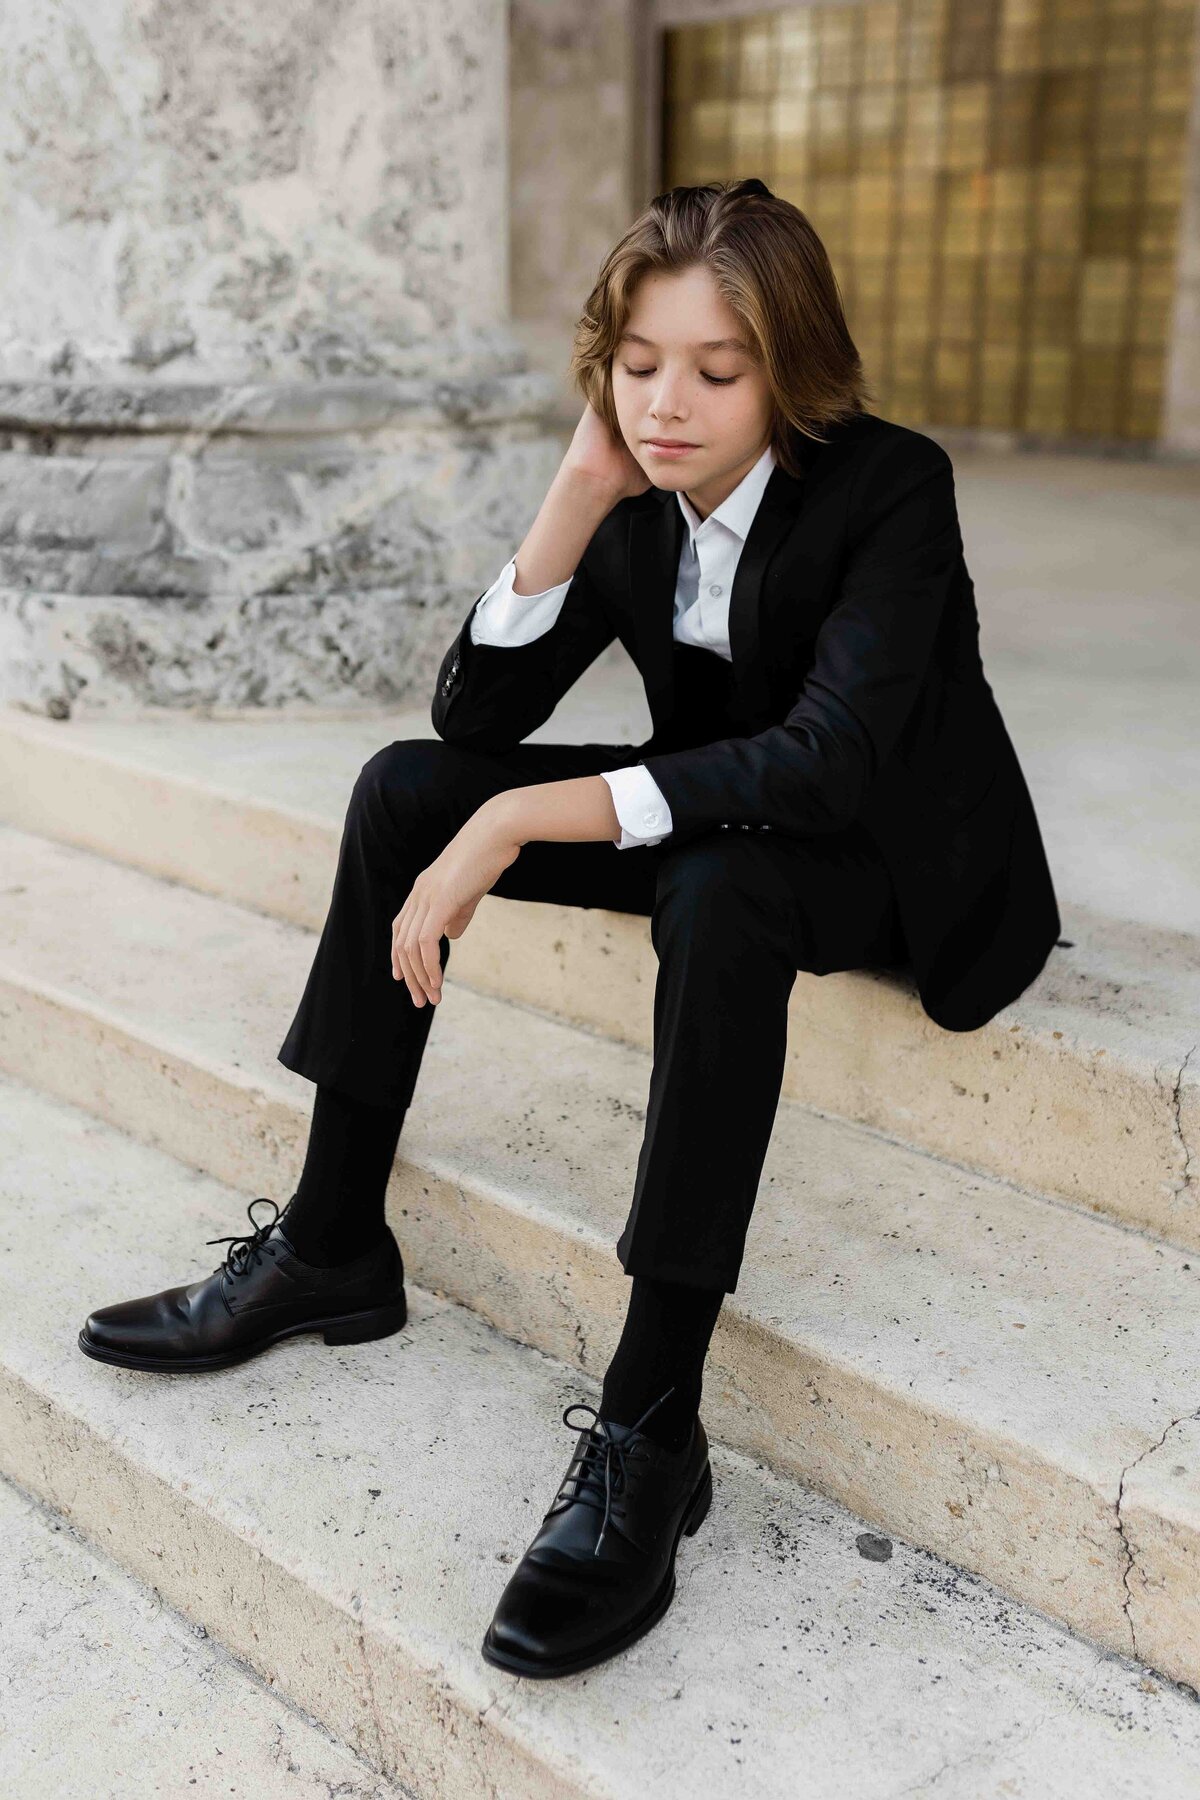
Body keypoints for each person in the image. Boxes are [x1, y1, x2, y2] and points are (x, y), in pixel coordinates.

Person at [77, 177, 1060, 1680]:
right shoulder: (633, 495)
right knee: (407, 792)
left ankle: (655, 1427)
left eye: (716, 372)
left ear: (789, 367)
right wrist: (574, 498)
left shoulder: (890, 489)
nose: (669, 404)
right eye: (638, 361)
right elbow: (468, 715)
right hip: (705, 826)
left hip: (886, 861)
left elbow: (826, 764)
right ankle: (334, 1244)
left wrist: (526, 819)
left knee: (717, 890)